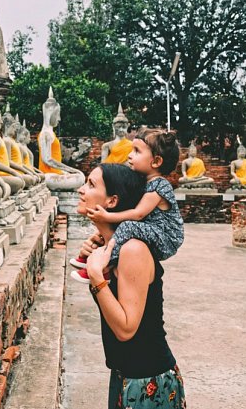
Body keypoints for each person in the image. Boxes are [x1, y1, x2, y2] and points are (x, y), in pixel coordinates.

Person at [77, 164, 186, 409]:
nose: (81, 190)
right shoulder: (111, 249)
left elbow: (126, 329)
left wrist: (96, 277)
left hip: (148, 380)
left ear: (112, 201)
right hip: (123, 374)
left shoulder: (133, 249)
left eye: (91, 185)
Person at [71, 129, 183, 282]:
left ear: (156, 161)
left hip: (166, 237)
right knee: (117, 231)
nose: (130, 155)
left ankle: (105, 266)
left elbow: (138, 214)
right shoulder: (144, 182)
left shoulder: (159, 185)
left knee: (128, 226)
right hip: (152, 230)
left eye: (137, 151)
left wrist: (107, 216)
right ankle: (92, 256)